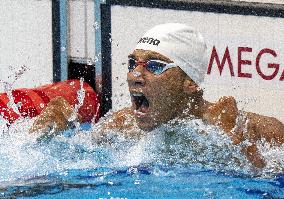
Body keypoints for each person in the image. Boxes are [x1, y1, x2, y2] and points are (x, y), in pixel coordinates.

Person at [29, 23, 284, 168]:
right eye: (132, 63)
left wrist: (239, 144)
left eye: (154, 66)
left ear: (190, 82)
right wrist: (53, 135)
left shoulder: (265, 131)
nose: (134, 75)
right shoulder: (124, 124)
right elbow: (73, 159)